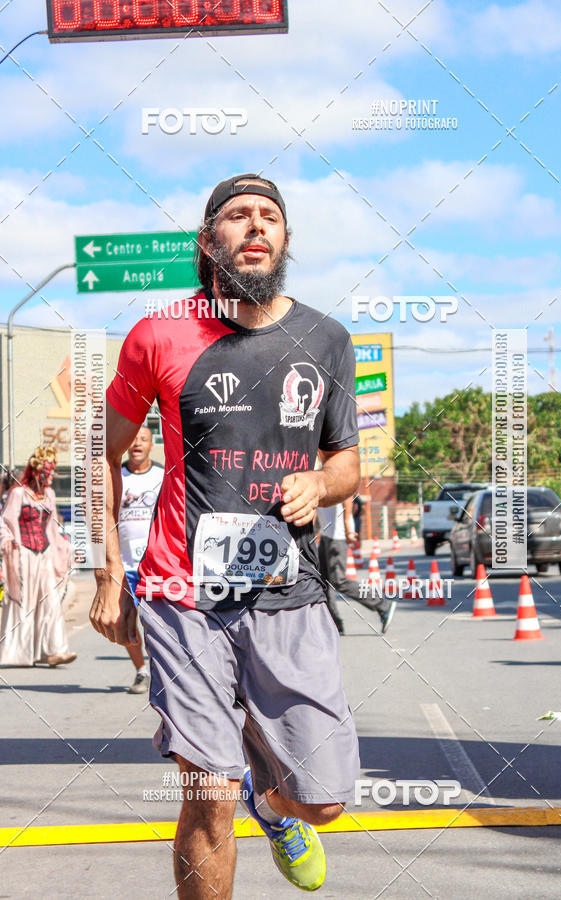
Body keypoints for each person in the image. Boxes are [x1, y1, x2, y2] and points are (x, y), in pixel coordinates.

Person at [90, 173, 361, 897]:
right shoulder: (159, 335)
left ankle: (272, 808)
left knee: (322, 800)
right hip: (183, 599)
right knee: (207, 792)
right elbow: (103, 455)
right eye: (237, 216)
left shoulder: (326, 339)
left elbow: (347, 462)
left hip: (288, 592)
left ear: (285, 239)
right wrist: (109, 575)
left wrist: (320, 483)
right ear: (209, 242)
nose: (256, 226)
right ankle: (232, 786)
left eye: (269, 216)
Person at [0, 446, 75, 667]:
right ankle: (22, 653)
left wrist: (63, 547)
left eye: (52, 472)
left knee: (51, 601)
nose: (50, 476)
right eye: (47, 471)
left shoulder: (49, 494)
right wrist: (9, 542)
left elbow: (51, 528)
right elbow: (4, 522)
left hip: (44, 555)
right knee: (25, 603)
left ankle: (55, 650)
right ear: (35, 471)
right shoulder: (18, 494)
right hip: (23, 555)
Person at [118, 426, 164, 693]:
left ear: (151, 444)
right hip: (125, 564)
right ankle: (141, 671)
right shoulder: (118, 475)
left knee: (156, 624)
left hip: (154, 563)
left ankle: (161, 672)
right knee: (126, 621)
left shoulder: (161, 475)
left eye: (143, 439)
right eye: (133, 438)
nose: (137, 444)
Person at [318, 499, 395, 634]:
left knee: (338, 580)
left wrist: (348, 527)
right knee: (323, 582)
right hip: (326, 536)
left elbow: (347, 497)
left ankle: (382, 604)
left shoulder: (337, 478)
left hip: (337, 537)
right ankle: (335, 624)